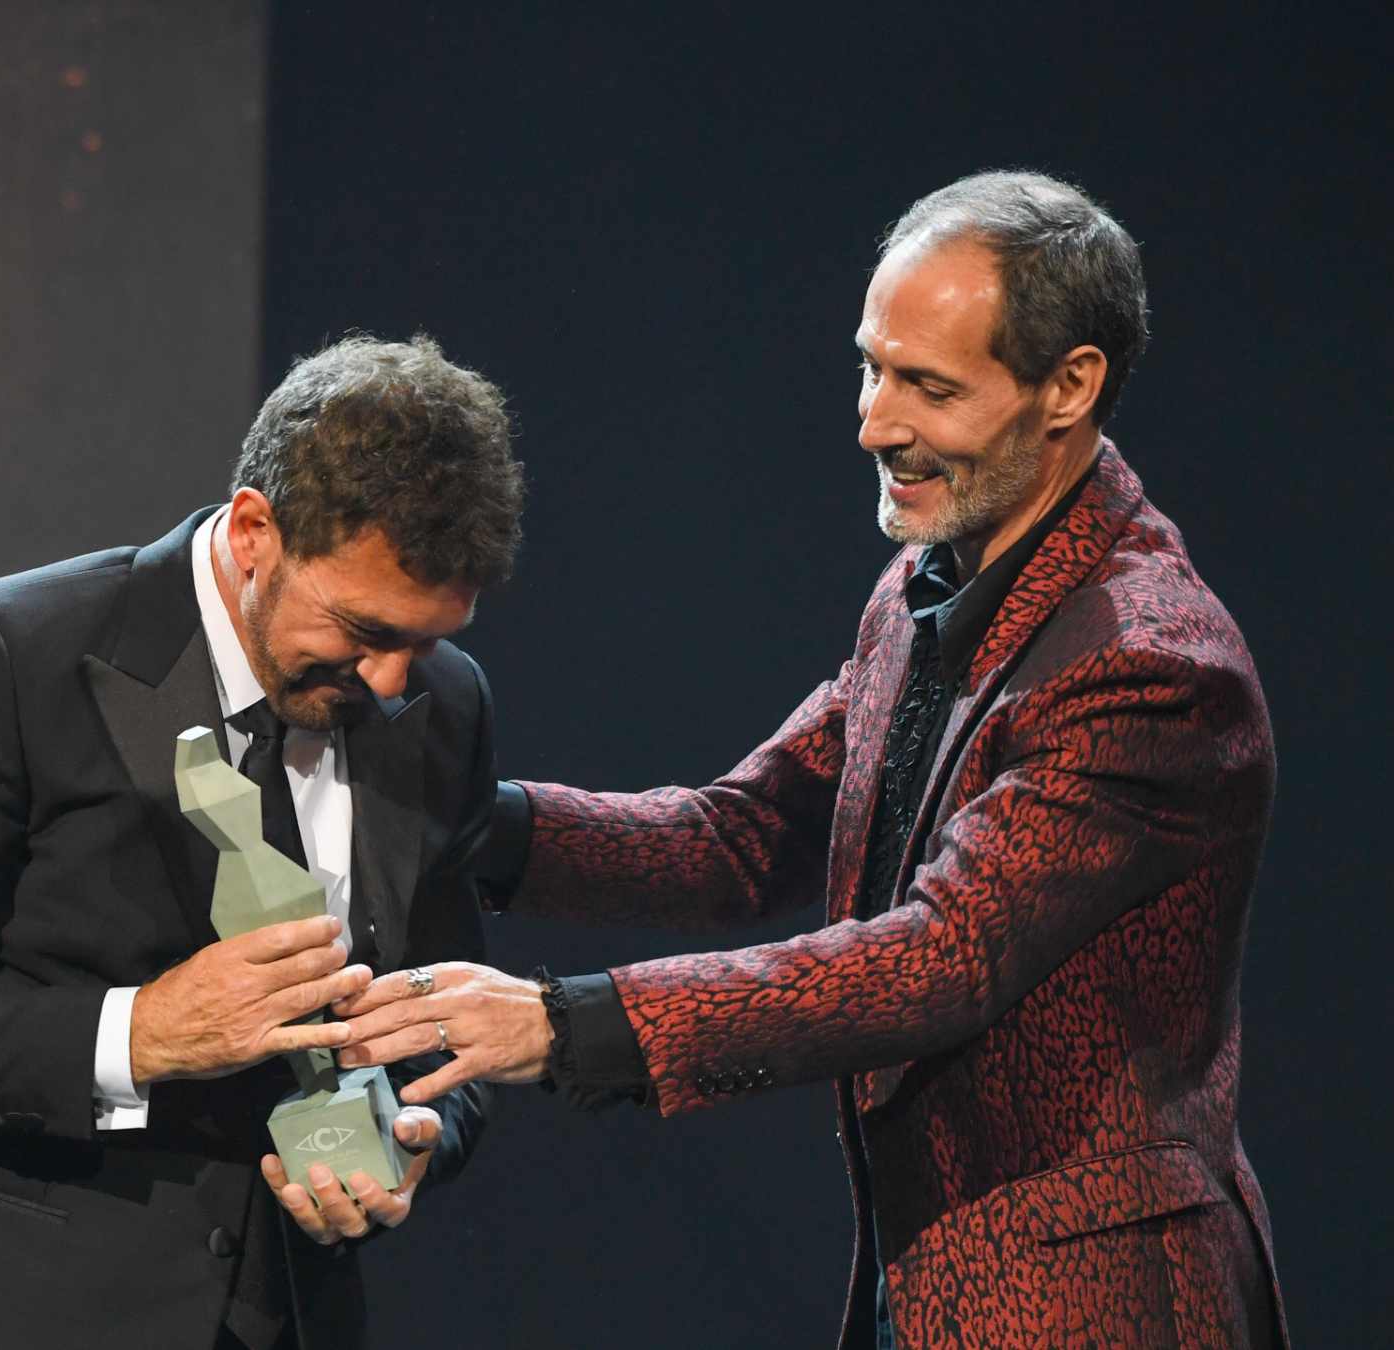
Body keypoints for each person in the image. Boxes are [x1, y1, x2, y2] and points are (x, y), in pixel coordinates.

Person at [337, 173, 1289, 1348]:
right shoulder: (925, 588)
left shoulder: (1147, 666)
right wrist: (449, 818)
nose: (875, 424)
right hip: (931, 1280)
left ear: (1070, 387)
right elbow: (742, 836)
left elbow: (941, 958)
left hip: (1092, 1305)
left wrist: (558, 1024)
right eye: (871, 368)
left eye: (928, 387)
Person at [0, 335, 523, 1350]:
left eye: (424, 642)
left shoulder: (446, 705)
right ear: (256, 529)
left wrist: (421, 1134)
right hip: (14, 1313)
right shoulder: (4, 654)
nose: (391, 683)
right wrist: (139, 1035)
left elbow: (446, 1005)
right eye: (363, 631)